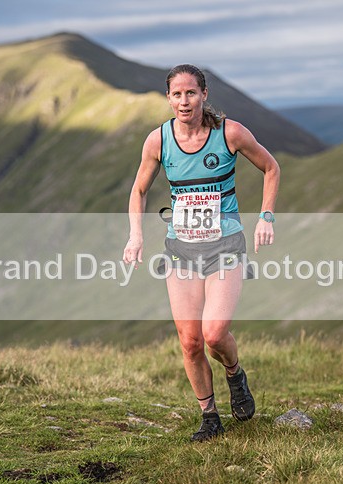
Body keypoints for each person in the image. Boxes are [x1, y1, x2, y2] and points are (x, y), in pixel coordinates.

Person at [123, 64, 280, 442]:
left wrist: (266, 217)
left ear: (204, 94)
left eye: (190, 93)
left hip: (225, 246)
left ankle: (235, 374)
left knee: (213, 334)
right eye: (177, 94)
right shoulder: (158, 141)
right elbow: (139, 190)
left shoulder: (231, 133)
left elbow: (271, 168)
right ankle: (209, 417)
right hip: (181, 250)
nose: (184, 101)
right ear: (168, 98)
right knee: (190, 341)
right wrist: (135, 236)